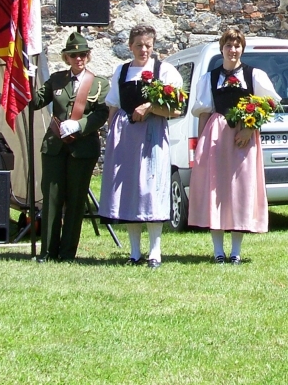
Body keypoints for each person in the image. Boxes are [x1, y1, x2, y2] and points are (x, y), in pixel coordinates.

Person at [188, 28, 281, 264]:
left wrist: (250, 128)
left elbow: (270, 104)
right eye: (229, 45)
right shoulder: (209, 78)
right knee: (216, 189)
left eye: (237, 46)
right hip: (216, 136)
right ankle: (218, 251)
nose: (233, 50)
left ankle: (236, 251)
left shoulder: (254, 75)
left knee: (241, 189)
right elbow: (204, 112)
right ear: (222, 49)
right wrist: (200, 145)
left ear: (242, 49)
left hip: (243, 138)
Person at [98, 25, 183, 269]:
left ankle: (155, 251)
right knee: (129, 190)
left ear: (153, 46)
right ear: (130, 46)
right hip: (126, 136)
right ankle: (134, 251)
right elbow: (114, 106)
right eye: (138, 45)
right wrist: (112, 133)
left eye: (148, 45)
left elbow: (176, 109)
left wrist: (151, 107)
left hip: (152, 136)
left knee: (151, 190)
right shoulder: (122, 71)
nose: (143, 50)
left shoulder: (164, 70)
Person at [30, 32, 109, 262]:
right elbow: (36, 102)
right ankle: (48, 251)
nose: (78, 59)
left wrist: (79, 125)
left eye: (83, 54)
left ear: (88, 56)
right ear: (66, 57)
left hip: (82, 149)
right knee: (51, 198)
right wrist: (27, 80)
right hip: (55, 147)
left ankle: (67, 253)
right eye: (74, 55)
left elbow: (102, 113)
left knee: (75, 201)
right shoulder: (56, 80)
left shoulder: (99, 83)